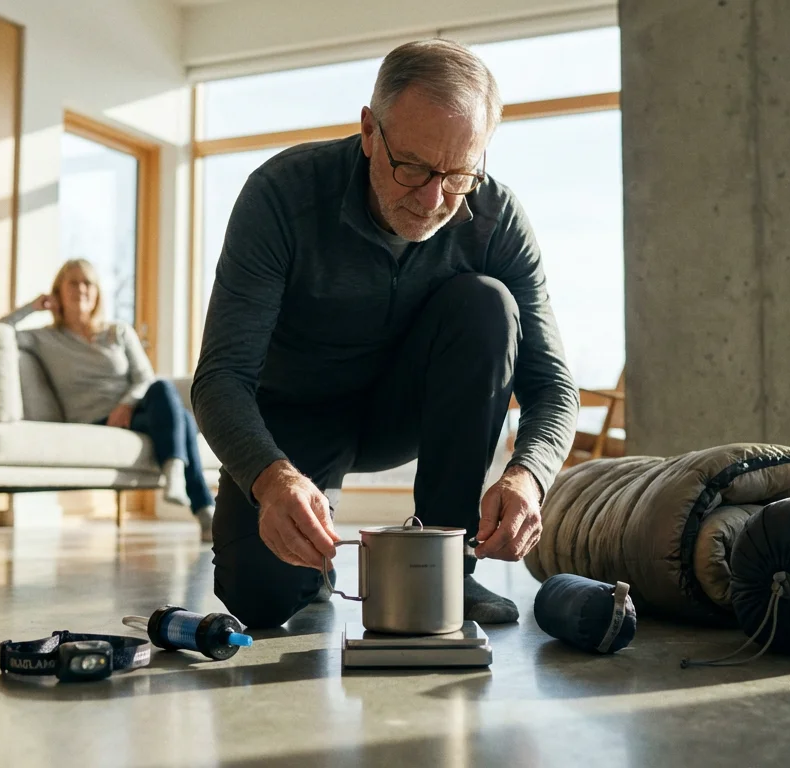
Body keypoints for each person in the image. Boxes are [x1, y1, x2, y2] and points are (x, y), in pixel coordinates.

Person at [192, 39, 579, 629]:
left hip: (407, 410)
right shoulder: (279, 195)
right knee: (260, 599)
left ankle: (450, 566)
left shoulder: (498, 219)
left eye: (458, 176)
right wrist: (273, 481)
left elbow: (553, 385)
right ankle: (308, 569)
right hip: (295, 416)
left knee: (488, 304)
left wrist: (528, 475)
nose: (432, 199)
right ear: (370, 130)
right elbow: (220, 379)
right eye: (414, 167)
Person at [2, 259, 216, 541]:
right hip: (93, 417)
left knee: (162, 389)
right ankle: (202, 509)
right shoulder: (44, 338)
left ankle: (177, 473)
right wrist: (32, 307)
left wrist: (126, 403)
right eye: (73, 283)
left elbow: (144, 378)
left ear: (97, 293)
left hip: (135, 412)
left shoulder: (118, 331)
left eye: (88, 283)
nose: (81, 289)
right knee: (185, 420)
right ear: (57, 293)